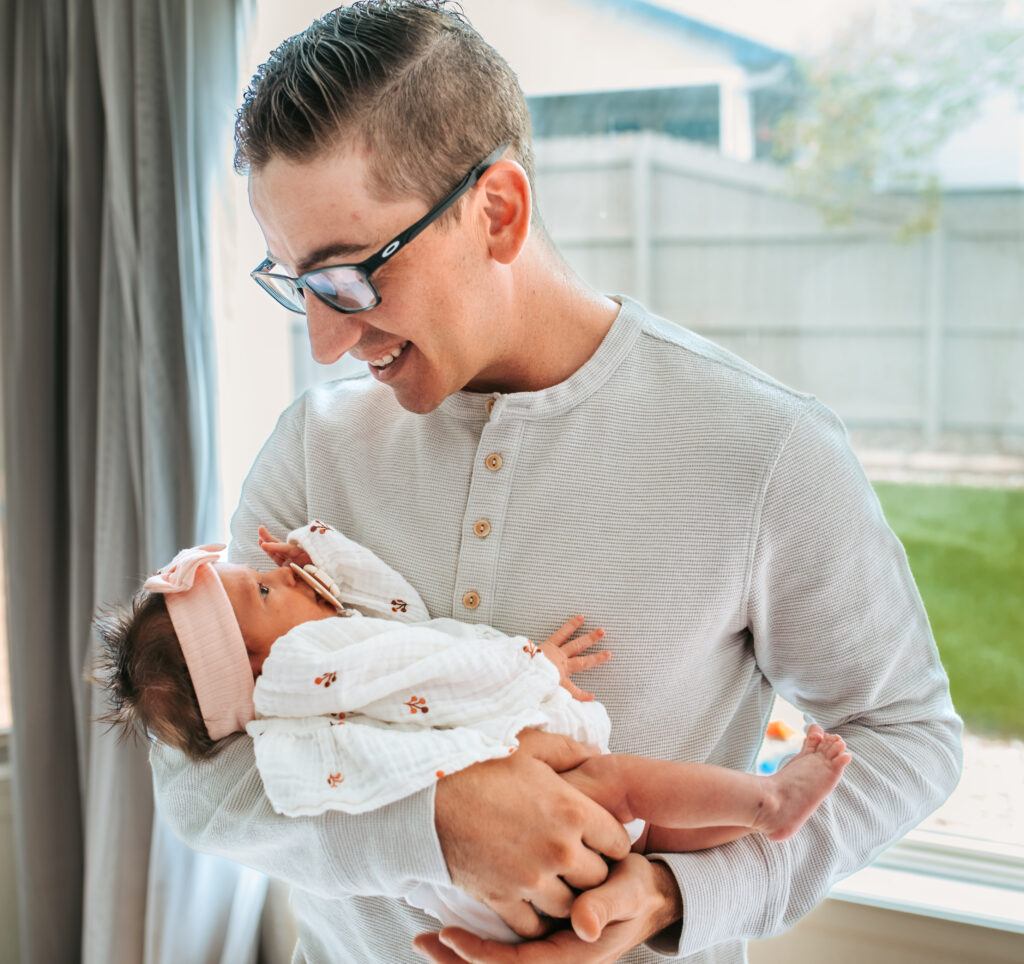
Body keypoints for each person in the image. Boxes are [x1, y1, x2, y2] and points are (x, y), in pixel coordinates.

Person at [149, 2, 962, 962]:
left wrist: (674, 894)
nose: (323, 340)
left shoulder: (765, 446)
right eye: (294, 284)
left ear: (497, 211)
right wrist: (440, 823)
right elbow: (200, 779)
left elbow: (909, 735)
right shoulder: (312, 446)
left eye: (347, 279)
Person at [100, 521, 851, 943]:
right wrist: (533, 667)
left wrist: (319, 566)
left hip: (478, 909)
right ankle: (763, 805)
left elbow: (386, 610)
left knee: (646, 842)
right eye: (264, 587)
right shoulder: (309, 661)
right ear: (260, 665)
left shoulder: (295, 663)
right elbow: (431, 658)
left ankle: (687, 869)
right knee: (624, 786)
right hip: (528, 798)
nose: (282, 574)